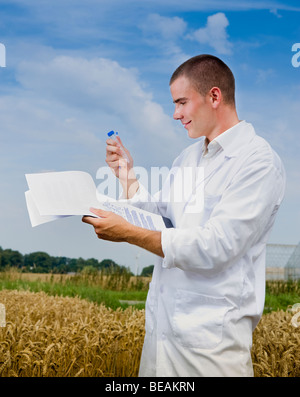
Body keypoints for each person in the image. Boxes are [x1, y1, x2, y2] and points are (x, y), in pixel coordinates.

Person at [82, 54, 286, 377]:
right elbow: (163, 220)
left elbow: (215, 246)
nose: (175, 114)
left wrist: (127, 233)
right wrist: (126, 177)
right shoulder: (187, 159)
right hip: (160, 350)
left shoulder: (258, 162)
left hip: (210, 357)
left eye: (181, 102)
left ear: (214, 97)